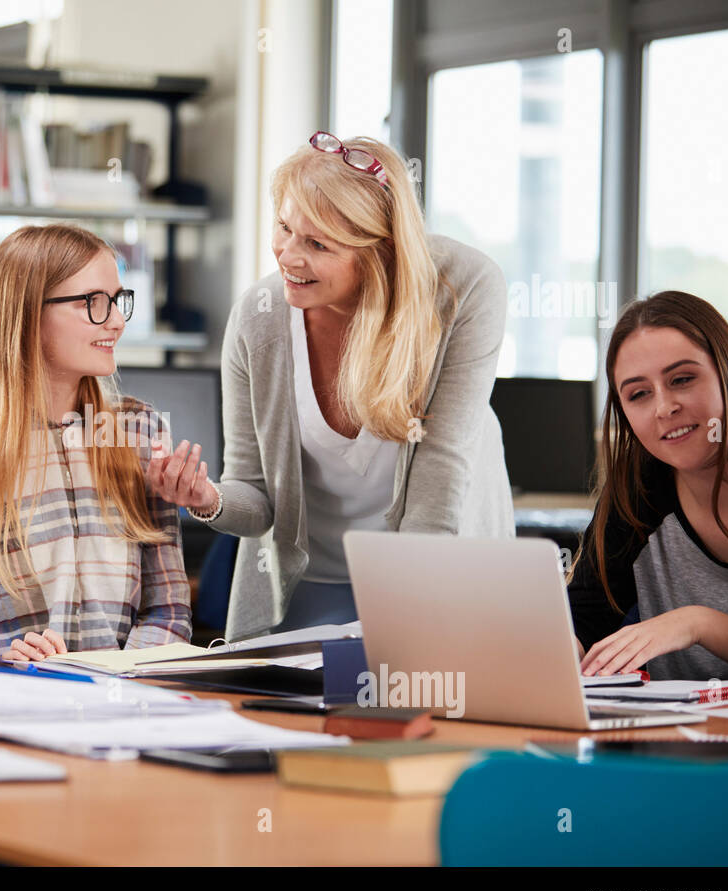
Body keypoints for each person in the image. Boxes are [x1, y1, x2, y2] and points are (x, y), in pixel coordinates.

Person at [149, 133, 514, 639]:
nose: (288, 257)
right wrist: (205, 498)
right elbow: (255, 500)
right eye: (284, 228)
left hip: (435, 572)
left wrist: (405, 628)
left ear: (380, 252)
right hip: (310, 584)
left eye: (317, 244)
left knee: (425, 706)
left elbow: (441, 478)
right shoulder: (259, 317)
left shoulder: (464, 287)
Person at [0, 223, 191, 661]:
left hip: (125, 702)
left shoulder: (140, 431)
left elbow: (168, 611)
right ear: (27, 314)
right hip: (13, 703)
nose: (116, 320)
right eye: (94, 303)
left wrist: (117, 674)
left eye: (118, 301)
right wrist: (0, 667)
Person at [570, 292, 728, 685]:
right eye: (639, 394)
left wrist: (699, 624)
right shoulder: (637, 498)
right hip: (671, 743)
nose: (663, 408)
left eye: (682, 379)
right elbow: (583, 622)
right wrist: (555, 648)